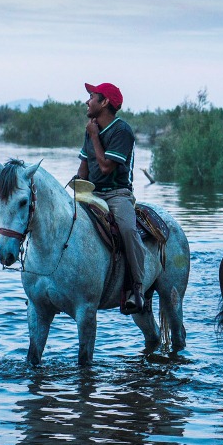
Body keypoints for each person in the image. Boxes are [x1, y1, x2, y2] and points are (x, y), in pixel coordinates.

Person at [77, 82, 145, 315]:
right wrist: (75, 188)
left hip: (117, 194)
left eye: (91, 97)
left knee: (127, 229)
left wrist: (95, 136)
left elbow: (106, 167)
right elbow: (84, 168)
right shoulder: (90, 128)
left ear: (104, 102)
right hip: (92, 192)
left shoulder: (121, 131)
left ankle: (137, 288)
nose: (87, 101)